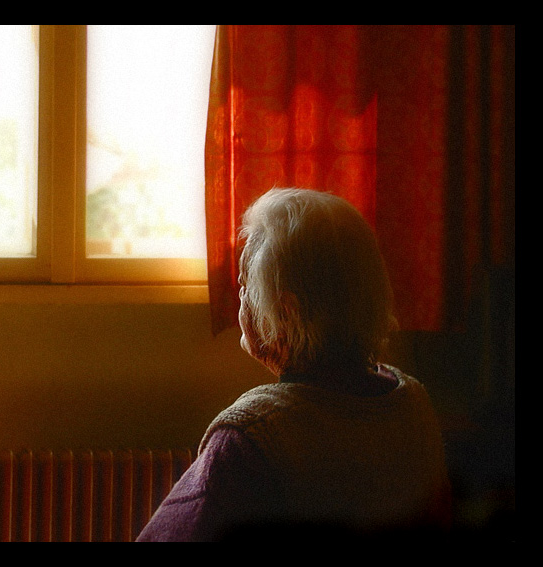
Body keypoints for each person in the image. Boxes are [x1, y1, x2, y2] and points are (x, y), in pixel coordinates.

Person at [136, 188, 452, 542]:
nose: (241, 298)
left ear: (285, 313)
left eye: (244, 286)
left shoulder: (250, 437)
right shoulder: (414, 403)